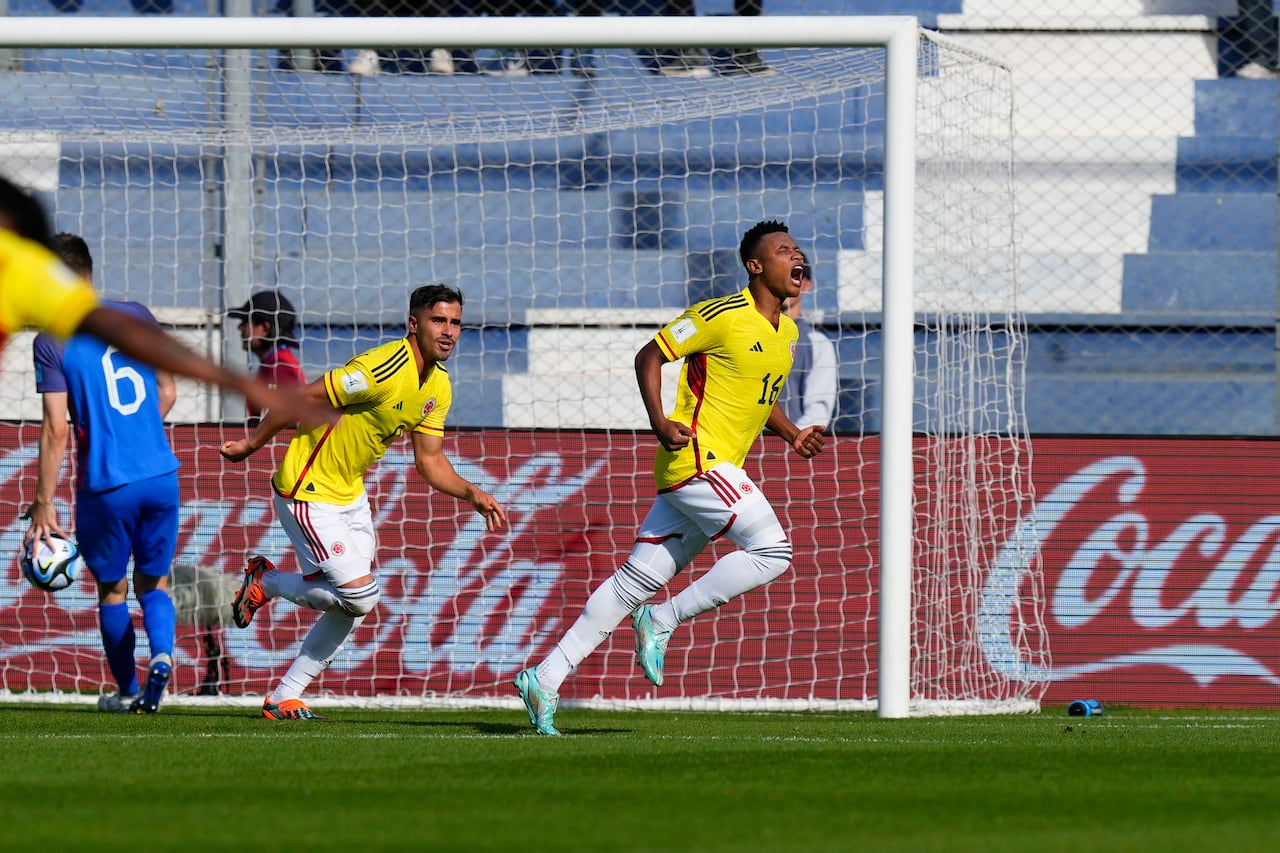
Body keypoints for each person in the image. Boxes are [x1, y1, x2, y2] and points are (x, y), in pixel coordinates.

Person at [515, 220, 827, 736]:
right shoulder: (719, 315)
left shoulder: (788, 333)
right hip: (696, 459)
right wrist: (660, 422)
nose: (796, 257)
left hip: (716, 469)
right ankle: (664, 619)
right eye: (783, 250)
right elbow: (650, 355)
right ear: (755, 266)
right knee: (773, 552)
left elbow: (759, 396)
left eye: (797, 249)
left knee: (632, 583)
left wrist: (792, 433)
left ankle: (544, 677)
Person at [219, 283, 507, 721]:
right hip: (307, 490)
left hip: (350, 495)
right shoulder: (383, 367)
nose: (448, 331)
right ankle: (268, 581)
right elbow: (297, 398)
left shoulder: (438, 386)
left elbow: (430, 462)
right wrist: (251, 445)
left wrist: (472, 493)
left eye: (455, 323)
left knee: (353, 606)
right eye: (438, 320)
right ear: (415, 324)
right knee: (361, 598)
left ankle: (285, 695)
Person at [0, 175, 329, 428]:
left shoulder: (18, 267)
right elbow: (122, 333)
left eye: (247, 321)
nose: (242, 328)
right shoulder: (22, 265)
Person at [25, 233, 181, 714]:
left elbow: (55, 428)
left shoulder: (52, 340)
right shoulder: (135, 313)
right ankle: (163, 656)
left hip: (105, 484)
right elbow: (169, 390)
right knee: (155, 584)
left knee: (113, 590)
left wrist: (43, 501)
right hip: (161, 476)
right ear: (90, 271)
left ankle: (129, 691)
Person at [776, 251, 837, 430]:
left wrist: (789, 440)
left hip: (786, 452)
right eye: (779, 274)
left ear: (807, 285)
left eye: (794, 275)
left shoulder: (817, 344)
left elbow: (818, 412)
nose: (786, 282)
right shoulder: (744, 334)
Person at [228, 289, 307, 426]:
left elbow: (289, 425)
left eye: (245, 321)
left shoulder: (281, 367)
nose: (240, 328)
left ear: (265, 328)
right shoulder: (271, 363)